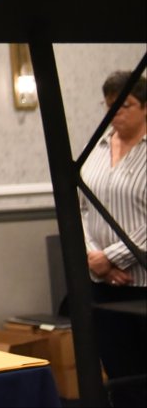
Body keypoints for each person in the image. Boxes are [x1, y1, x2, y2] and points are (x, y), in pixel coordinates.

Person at [80, 70, 146, 299]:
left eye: (124, 105)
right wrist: (95, 258)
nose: (115, 112)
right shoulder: (96, 147)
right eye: (109, 105)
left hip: (140, 281)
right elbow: (81, 209)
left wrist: (111, 257)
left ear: (145, 107)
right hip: (98, 279)